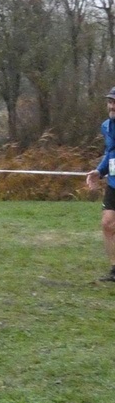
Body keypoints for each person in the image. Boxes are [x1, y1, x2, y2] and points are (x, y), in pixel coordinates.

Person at [85, 86, 115, 281]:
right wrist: (99, 171)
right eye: (110, 102)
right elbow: (110, 153)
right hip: (113, 183)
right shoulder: (106, 126)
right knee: (107, 224)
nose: (112, 106)